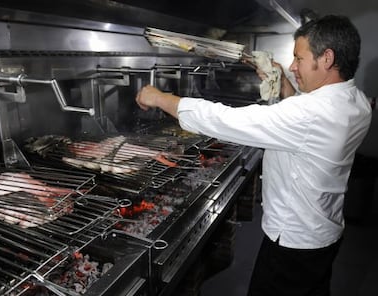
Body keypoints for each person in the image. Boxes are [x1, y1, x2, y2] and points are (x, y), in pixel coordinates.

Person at [135, 15, 372, 296]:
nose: (293, 66)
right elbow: (307, 121)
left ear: (327, 58)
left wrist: (161, 98)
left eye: (298, 58)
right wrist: (285, 85)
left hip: (293, 245)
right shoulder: (356, 101)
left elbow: (226, 120)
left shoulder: (311, 114)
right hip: (324, 233)